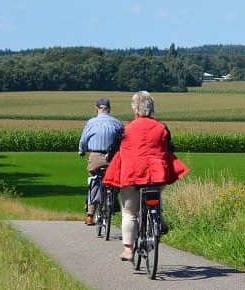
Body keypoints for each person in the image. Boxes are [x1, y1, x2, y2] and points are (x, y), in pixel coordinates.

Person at [103, 91, 189, 261]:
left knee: (129, 212)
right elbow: (169, 148)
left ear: (135, 108)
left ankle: (128, 249)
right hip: (157, 173)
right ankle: (159, 217)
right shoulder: (162, 127)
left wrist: (109, 156)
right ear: (152, 108)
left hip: (132, 174)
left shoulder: (125, 129)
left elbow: (114, 149)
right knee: (156, 193)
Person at [78, 97, 124, 226]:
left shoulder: (91, 123)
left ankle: (90, 216)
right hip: (113, 158)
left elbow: (83, 140)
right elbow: (124, 139)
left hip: (96, 156)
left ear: (97, 109)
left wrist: (82, 150)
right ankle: (113, 197)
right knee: (116, 179)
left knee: (94, 181)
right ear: (109, 109)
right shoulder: (117, 123)